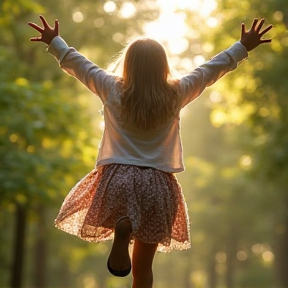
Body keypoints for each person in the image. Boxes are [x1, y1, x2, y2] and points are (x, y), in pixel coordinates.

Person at [28, 15, 273, 288]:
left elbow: (78, 64)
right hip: (157, 185)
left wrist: (54, 41)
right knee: (143, 268)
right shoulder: (177, 92)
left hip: (117, 179)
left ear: (128, 64)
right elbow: (209, 71)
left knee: (124, 219)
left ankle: (124, 222)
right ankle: (128, 228)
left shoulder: (111, 88)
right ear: (163, 65)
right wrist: (242, 47)